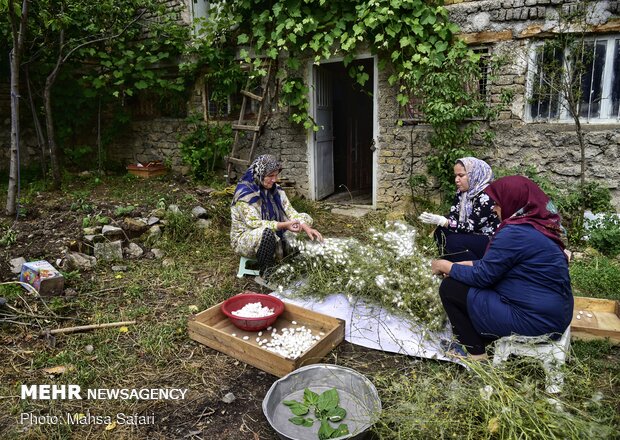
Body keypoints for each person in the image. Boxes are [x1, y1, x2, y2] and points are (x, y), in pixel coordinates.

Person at [431, 175, 573, 359]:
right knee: (461, 277)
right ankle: (483, 337)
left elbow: (482, 277)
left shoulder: (515, 232)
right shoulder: (538, 226)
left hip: (535, 322)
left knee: (451, 289)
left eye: (497, 202)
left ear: (512, 201)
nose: (493, 207)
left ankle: (476, 354)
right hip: (557, 314)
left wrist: (445, 265)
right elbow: (496, 264)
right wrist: (458, 266)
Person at [231, 154, 322, 277]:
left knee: (305, 218)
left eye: (276, 175)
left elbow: (290, 212)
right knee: (266, 233)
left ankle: (287, 252)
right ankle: (268, 272)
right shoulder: (245, 194)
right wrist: (285, 225)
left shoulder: (276, 190)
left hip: (274, 230)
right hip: (247, 238)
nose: (275, 179)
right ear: (260, 174)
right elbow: (254, 223)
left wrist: (305, 226)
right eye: (270, 176)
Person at [419, 157, 499, 262]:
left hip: (487, 238)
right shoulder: (462, 193)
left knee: (453, 242)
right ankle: (449, 262)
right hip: (470, 233)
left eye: (461, 175)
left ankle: (474, 269)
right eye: (455, 176)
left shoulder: (487, 195)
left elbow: (471, 226)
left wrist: (444, 221)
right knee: (440, 232)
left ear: (474, 175)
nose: (456, 180)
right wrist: (439, 220)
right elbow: (454, 216)